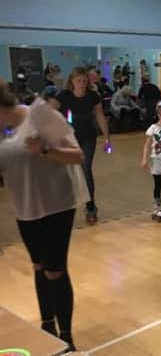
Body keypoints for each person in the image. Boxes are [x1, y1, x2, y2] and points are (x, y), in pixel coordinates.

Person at [0, 84, 88, 351]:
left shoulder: (39, 115)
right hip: (24, 207)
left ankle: (66, 337)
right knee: (39, 266)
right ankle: (47, 328)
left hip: (56, 205)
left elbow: (77, 155)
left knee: (54, 271)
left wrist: (45, 151)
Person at [53, 66, 111, 225]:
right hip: (68, 138)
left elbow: (100, 116)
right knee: (66, 173)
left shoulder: (93, 96)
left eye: (85, 81)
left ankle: (91, 207)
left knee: (86, 170)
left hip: (87, 136)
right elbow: (49, 111)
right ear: (72, 81)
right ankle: (62, 210)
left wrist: (107, 138)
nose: (82, 84)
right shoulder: (63, 96)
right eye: (79, 81)